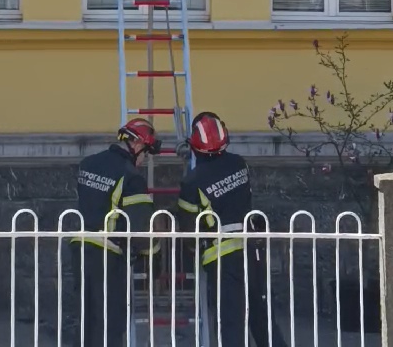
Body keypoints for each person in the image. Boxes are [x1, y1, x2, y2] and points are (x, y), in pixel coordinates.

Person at [177, 112, 287, 347]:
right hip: (252, 252)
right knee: (262, 317)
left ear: (195, 147)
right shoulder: (239, 164)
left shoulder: (191, 182)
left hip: (222, 259)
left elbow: (188, 230)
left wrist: (194, 251)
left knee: (231, 324)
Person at [71, 118, 161, 347]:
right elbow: (141, 227)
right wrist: (154, 259)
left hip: (79, 249)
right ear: (137, 145)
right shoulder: (131, 177)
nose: (144, 159)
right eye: (146, 152)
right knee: (110, 322)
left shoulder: (88, 163)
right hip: (107, 255)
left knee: (85, 319)